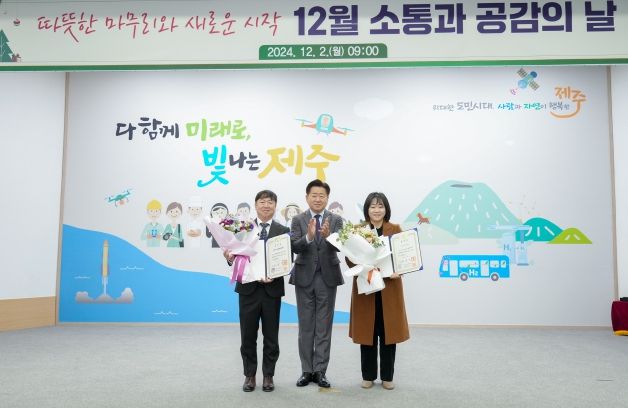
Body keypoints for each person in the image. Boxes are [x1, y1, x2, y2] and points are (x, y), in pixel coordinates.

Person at [223, 190, 289, 393]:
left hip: (272, 289)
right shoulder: (243, 228)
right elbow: (235, 255)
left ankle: (268, 375)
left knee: (271, 336)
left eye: (270, 202)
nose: (266, 205)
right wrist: (230, 257)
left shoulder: (283, 230)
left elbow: (286, 259)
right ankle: (249, 375)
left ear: (275, 206)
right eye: (262, 202)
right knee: (248, 335)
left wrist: (277, 273)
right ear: (255, 205)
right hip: (248, 289)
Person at [348, 192, 409, 390]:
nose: (376, 210)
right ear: (367, 210)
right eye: (372, 206)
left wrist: (400, 270)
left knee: (388, 333)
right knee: (368, 333)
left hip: (389, 289)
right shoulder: (357, 230)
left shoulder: (395, 229)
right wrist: (361, 263)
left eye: (380, 206)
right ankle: (368, 375)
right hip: (366, 288)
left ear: (386, 209)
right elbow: (350, 259)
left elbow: (404, 257)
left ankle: (387, 376)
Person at [290, 179, 344, 388]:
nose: (318, 199)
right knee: (306, 326)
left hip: (327, 277)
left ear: (327, 198)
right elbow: (294, 246)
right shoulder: (298, 219)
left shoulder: (336, 219)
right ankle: (306, 370)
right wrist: (309, 237)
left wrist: (330, 237)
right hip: (304, 277)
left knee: (323, 326)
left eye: (322, 196)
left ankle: (320, 371)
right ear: (307, 197)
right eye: (314, 195)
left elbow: (341, 246)